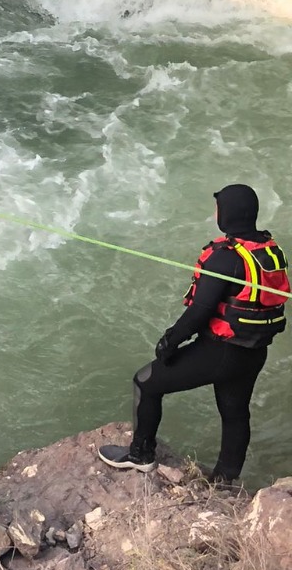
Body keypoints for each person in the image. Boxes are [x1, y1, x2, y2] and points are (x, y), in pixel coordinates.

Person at [99, 184, 288, 483]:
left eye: (218, 208)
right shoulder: (269, 250)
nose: (215, 213)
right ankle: (225, 482)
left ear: (228, 213)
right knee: (235, 413)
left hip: (220, 351)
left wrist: (170, 342)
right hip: (253, 351)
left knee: (145, 382)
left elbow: (200, 311)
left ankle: (140, 456)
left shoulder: (225, 257)